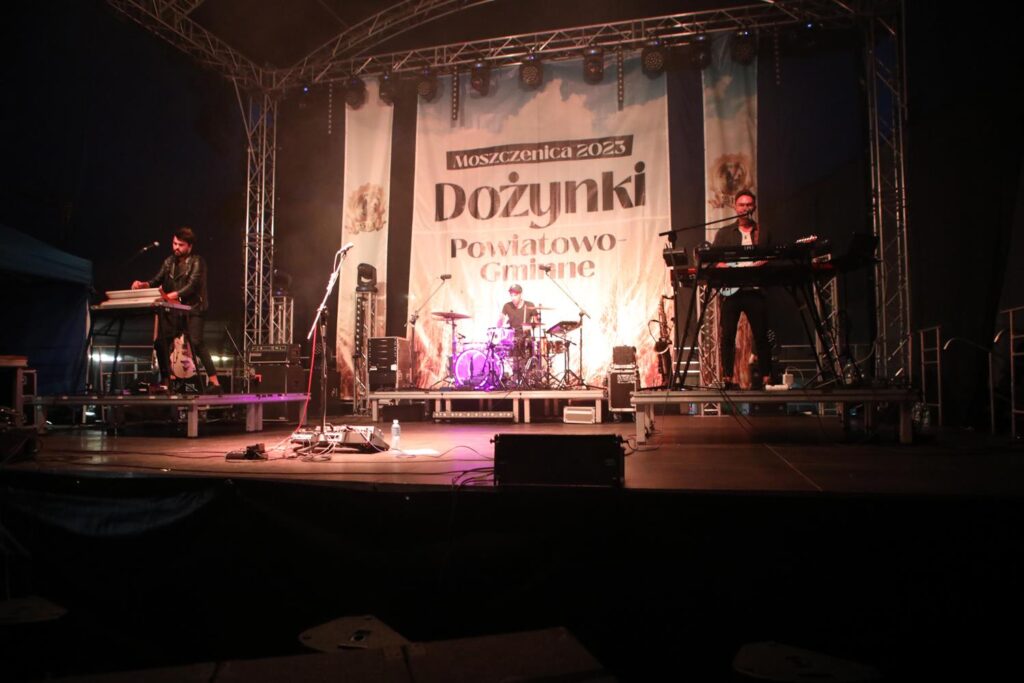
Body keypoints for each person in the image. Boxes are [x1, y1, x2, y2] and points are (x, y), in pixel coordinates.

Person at [132, 226, 222, 393]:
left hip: (194, 309)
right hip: (175, 309)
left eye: (180, 245)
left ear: (189, 246)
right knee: (160, 342)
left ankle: (215, 382)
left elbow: (192, 286)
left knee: (196, 342)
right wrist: (143, 284)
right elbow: (156, 280)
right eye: (174, 243)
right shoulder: (169, 262)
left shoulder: (197, 261)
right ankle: (167, 382)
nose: (176, 248)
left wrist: (171, 295)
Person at [712, 190, 773, 389]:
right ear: (735, 207)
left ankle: (766, 377)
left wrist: (762, 264)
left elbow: (771, 257)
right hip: (732, 291)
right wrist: (723, 266)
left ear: (753, 207)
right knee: (727, 336)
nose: (745, 208)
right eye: (741, 205)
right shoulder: (724, 233)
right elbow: (714, 260)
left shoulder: (763, 232)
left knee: (761, 335)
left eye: (748, 205)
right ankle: (728, 378)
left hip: (754, 289)